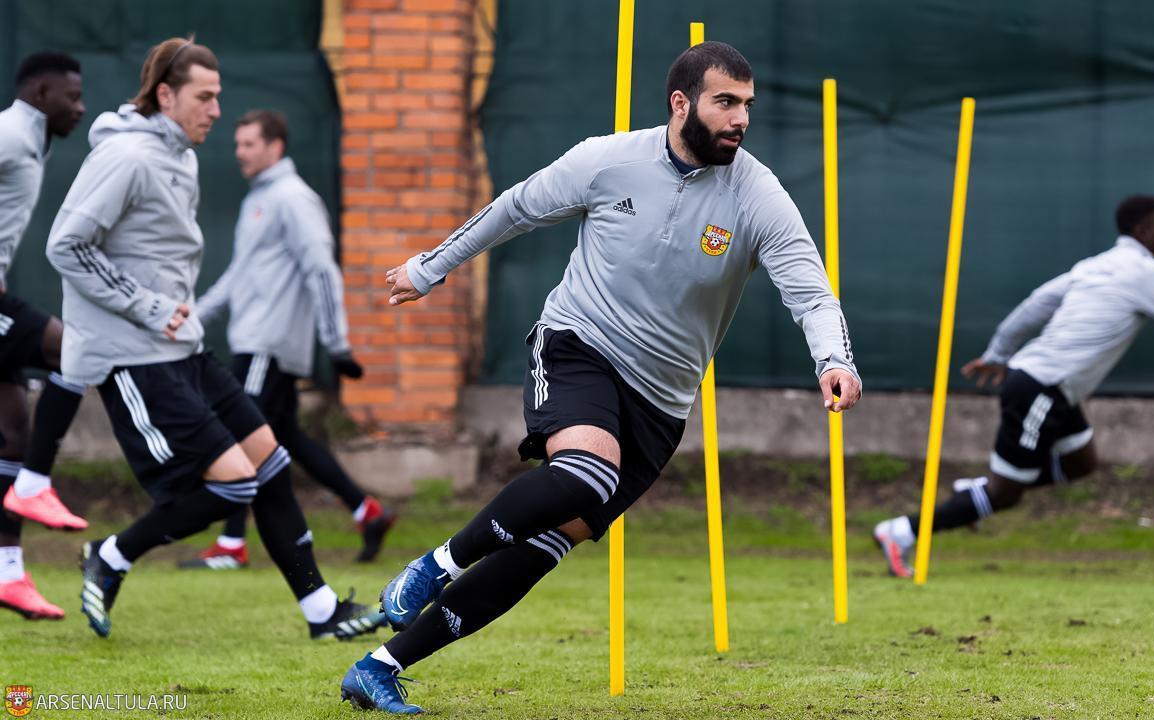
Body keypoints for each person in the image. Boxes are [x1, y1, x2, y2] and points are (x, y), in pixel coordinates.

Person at [339, 41, 862, 714]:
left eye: (747, 105)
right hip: (578, 345)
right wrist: (431, 266)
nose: (740, 119)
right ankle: (433, 567)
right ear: (681, 104)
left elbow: (811, 293)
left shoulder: (756, 194)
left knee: (545, 546)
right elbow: (515, 207)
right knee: (588, 473)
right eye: (725, 102)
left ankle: (379, 667)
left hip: (661, 404)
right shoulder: (608, 160)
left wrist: (834, 360)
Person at [45, 36, 386, 640]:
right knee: (235, 482)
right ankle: (112, 554)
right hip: (134, 355)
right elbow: (67, 246)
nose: (216, 110)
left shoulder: (182, 158)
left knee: (271, 462)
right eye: (204, 97)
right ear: (165, 95)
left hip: (184, 348)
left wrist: (181, 313)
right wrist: (149, 306)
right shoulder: (127, 157)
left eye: (218, 96)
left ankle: (321, 613)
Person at [873, 195, 1154, 578]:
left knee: (1081, 463)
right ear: (1143, 231)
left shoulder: (1096, 265)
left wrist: (999, 352)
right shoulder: (1147, 273)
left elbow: (1036, 304)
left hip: (1049, 388)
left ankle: (978, 492)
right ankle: (901, 531)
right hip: (1041, 390)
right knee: (1006, 495)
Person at [179, 109, 393, 570]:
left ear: (275, 146)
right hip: (255, 340)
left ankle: (232, 545)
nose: (239, 152)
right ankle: (367, 511)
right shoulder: (259, 199)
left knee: (239, 434)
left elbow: (321, 269)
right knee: (285, 436)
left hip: (268, 345)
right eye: (237, 144)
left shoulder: (293, 199)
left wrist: (336, 343)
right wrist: (191, 318)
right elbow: (239, 275)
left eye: (249, 144)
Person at [0, 51, 88, 621]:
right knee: (76, 350)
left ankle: (7, 574)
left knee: (13, 434)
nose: (79, 108)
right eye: (71, 97)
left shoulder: (33, 140)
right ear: (39, 93)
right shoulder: (10, 133)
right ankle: (35, 484)